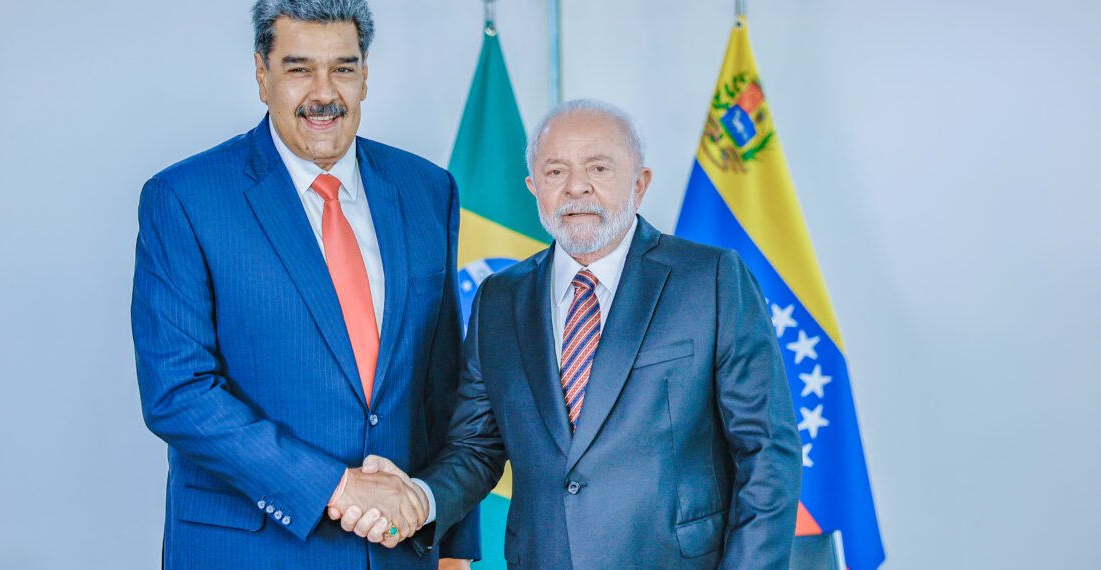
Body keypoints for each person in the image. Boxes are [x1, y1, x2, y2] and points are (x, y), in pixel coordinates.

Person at [346, 100, 803, 568]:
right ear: (533, 188)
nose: (576, 188)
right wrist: (421, 496)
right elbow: (475, 448)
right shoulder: (499, 299)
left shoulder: (710, 280)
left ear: (640, 184)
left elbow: (768, 452)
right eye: (555, 172)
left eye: (599, 168)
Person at [130, 1, 477, 567]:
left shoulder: (427, 190)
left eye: (342, 67)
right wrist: (338, 487)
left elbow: (441, 383)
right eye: (298, 69)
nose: (324, 93)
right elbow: (178, 393)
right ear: (261, 76)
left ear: (365, 76)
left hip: (398, 549)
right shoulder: (185, 198)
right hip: (248, 549)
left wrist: (451, 539)